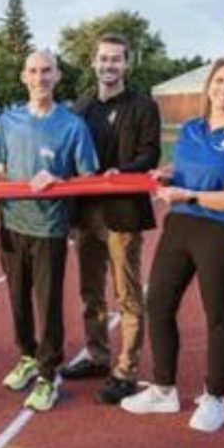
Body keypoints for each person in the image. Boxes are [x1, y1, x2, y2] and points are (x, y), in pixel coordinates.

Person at [120, 58, 224, 433]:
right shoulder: (191, 129)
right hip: (180, 227)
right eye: (219, 81)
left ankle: (216, 398)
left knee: (218, 314)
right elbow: (183, 166)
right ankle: (163, 389)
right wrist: (166, 173)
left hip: (221, 233)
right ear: (208, 87)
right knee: (158, 305)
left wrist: (189, 194)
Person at [0, 49, 98, 412]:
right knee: (17, 298)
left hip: (49, 228)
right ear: (23, 77)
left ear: (57, 76)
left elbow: (89, 177)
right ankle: (27, 357)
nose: (39, 78)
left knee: (47, 304)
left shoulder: (72, 125)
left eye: (46, 70)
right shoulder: (8, 121)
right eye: (33, 71)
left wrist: (59, 180)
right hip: (11, 225)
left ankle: (49, 375)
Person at [61, 33, 161, 405]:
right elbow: (67, 157)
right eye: (103, 59)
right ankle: (98, 355)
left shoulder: (143, 106)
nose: (109, 65)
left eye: (116, 59)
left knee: (127, 293)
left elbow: (150, 154)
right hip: (85, 214)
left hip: (123, 213)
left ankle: (126, 369)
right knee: (91, 292)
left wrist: (119, 174)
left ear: (126, 64)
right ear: (93, 62)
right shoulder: (80, 107)